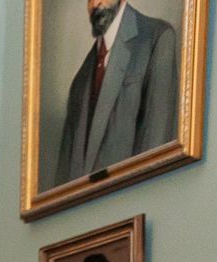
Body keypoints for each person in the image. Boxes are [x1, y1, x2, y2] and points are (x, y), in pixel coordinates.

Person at [52, 0, 179, 184]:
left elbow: (155, 154)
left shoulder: (157, 38)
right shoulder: (80, 81)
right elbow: (64, 180)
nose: (95, 4)